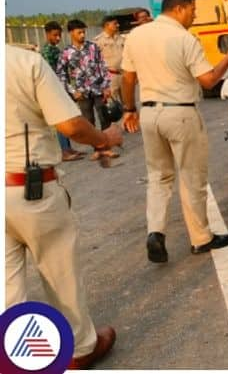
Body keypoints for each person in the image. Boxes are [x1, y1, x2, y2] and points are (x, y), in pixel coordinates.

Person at [5, 44, 123, 368]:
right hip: (30, 189)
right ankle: (80, 349)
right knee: (60, 273)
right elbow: (70, 126)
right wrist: (104, 139)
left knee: (6, 287)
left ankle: (14, 357)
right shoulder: (25, 62)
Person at [120, 0, 228, 263]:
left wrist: (129, 109)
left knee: (158, 177)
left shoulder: (136, 35)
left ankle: (156, 232)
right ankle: (201, 238)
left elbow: (128, 78)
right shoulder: (184, 39)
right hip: (181, 114)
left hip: (149, 114)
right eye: (193, 10)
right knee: (191, 178)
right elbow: (208, 80)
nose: (194, 15)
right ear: (179, 8)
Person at [55, 19, 116, 161]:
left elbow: (103, 66)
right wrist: (72, 91)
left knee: (104, 117)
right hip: (81, 93)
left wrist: (107, 86)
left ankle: (107, 148)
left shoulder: (93, 48)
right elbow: (60, 74)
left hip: (98, 89)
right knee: (89, 122)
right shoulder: (66, 53)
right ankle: (97, 149)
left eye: (84, 32)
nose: (83, 35)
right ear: (71, 33)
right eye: (79, 32)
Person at [41, 21, 84, 162]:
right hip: (55, 88)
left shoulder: (54, 49)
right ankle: (64, 151)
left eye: (59, 35)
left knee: (65, 117)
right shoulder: (48, 51)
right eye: (55, 35)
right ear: (47, 34)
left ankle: (68, 148)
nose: (58, 38)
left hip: (60, 87)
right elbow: (54, 73)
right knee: (61, 119)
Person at [93, 16, 125, 104]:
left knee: (129, 104)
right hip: (110, 76)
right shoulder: (98, 41)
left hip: (124, 74)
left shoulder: (121, 38)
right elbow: (95, 62)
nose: (118, 25)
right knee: (112, 106)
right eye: (115, 23)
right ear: (107, 25)